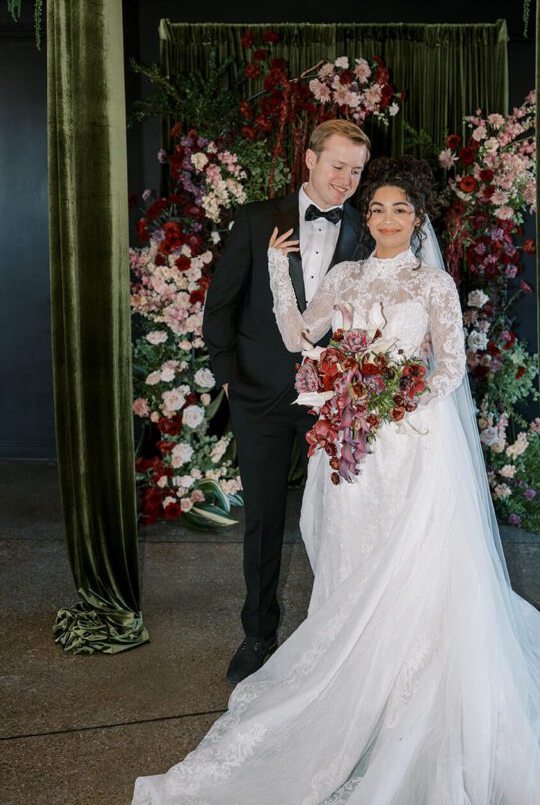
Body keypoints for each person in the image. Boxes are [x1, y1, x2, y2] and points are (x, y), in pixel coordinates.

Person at [134, 158, 540, 805]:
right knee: (349, 554)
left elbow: (449, 368)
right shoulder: (344, 274)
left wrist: (392, 400)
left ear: (417, 218)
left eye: (399, 209)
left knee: (415, 567)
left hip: (410, 444)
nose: (386, 219)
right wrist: (282, 276)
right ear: (365, 220)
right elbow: (301, 334)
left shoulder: (432, 287)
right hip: (347, 446)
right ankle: (353, 679)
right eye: (376, 209)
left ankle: (413, 690)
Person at [202, 118, 371, 684]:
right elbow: (221, 303)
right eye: (337, 166)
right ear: (309, 159)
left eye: (356, 171)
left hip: (333, 402)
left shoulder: (368, 231)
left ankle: (341, 636)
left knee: (341, 520)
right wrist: (229, 377)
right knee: (264, 519)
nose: (345, 181)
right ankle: (257, 633)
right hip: (260, 396)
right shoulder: (256, 220)